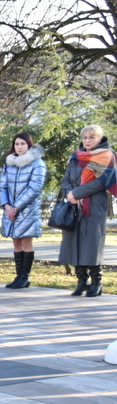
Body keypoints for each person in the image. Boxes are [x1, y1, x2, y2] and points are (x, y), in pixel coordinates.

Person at [59, 124, 117, 297]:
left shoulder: (107, 156)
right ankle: (81, 281)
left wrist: (76, 193)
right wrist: (70, 193)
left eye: (92, 137)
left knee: (92, 243)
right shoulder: (76, 156)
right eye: (85, 137)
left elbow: (101, 182)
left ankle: (96, 283)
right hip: (73, 205)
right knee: (75, 242)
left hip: (94, 205)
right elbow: (66, 178)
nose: (88, 140)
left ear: (99, 139)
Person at [0, 133, 47, 289]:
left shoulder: (37, 163)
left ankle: (25, 276)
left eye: (22, 144)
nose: (19, 147)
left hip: (27, 211)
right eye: (17, 144)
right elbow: (2, 186)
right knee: (15, 242)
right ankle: (18, 276)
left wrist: (17, 207)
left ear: (29, 145)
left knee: (25, 241)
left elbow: (34, 189)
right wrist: (6, 205)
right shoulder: (9, 163)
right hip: (10, 210)